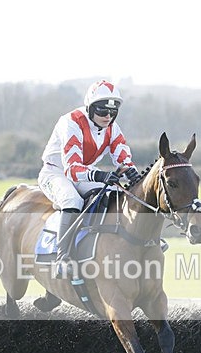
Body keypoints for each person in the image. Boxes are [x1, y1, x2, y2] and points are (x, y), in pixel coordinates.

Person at [37, 80, 139, 277]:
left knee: (115, 193)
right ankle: (62, 258)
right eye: (102, 111)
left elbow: (122, 155)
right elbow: (72, 168)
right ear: (90, 108)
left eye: (113, 112)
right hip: (56, 172)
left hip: (84, 172)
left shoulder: (112, 127)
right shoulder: (71, 122)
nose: (108, 116)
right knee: (72, 200)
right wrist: (100, 175)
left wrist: (131, 171)